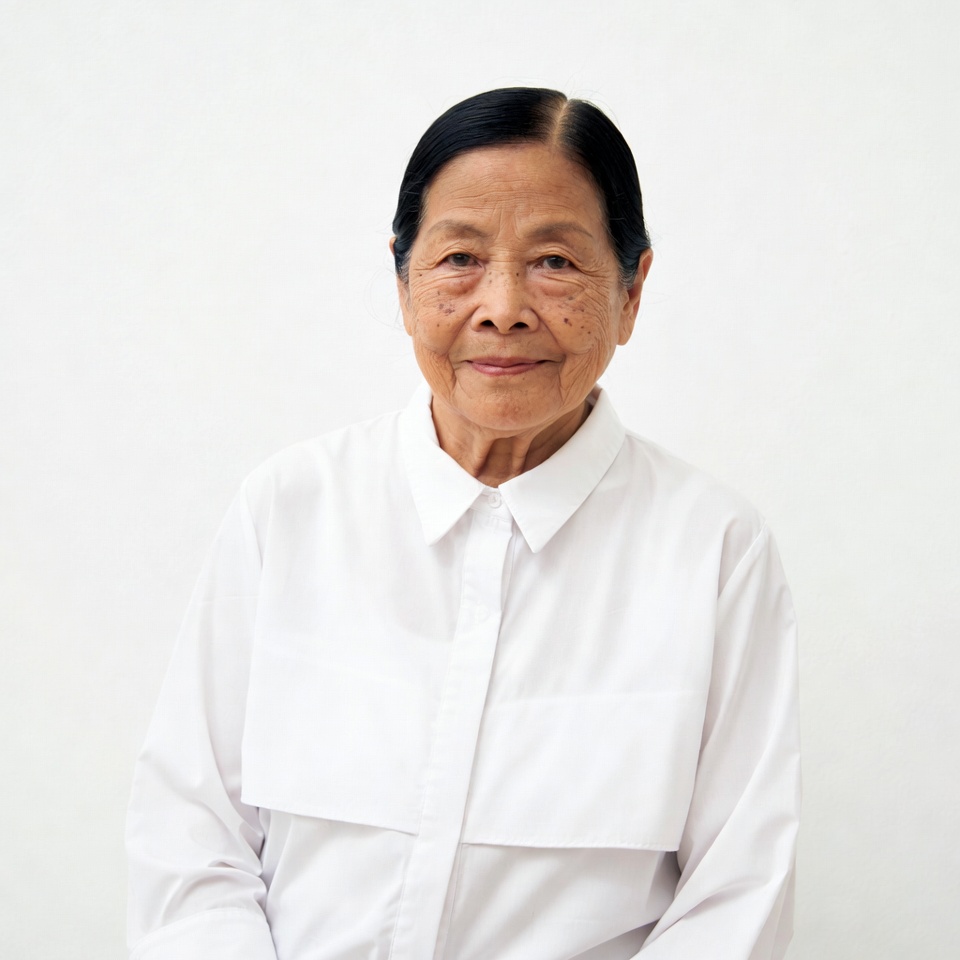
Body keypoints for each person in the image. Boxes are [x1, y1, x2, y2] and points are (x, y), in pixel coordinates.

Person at [126, 87, 800, 960]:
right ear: (404, 283)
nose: (503, 306)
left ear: (632, 291)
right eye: (460, 259)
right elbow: (192, 838)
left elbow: (735, 901)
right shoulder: (289, 509)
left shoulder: (716, 552)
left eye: (555, 261)